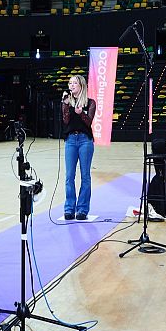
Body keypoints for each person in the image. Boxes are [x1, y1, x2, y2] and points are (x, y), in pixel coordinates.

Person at [61, 74, 97, 221]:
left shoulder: (90, 103)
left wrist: (81, 112)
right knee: (69, 176)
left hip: (85, 141)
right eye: (70, 83)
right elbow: (66, 121)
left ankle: (82, 209)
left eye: (74, 83)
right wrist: (66, 105)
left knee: (85, 176)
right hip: (70, 140)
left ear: (81, 85)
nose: (71, 85)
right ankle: (69, 208)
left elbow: (88, 122)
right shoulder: (66, 101)